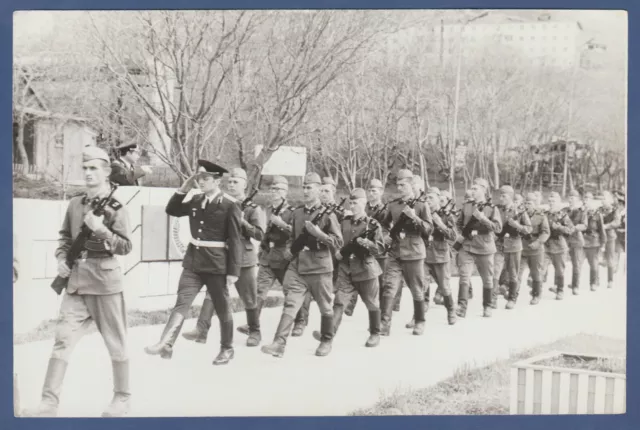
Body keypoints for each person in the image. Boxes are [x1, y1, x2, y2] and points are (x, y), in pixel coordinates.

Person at [23, 147, 133, 417]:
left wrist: (102, 230)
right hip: (76, 283)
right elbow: (64, 238)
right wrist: (61, 257)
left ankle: (122, 398)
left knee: (115, 341)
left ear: (107, 171)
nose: (87, 173)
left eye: (93, 168)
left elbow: (126, 247)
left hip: (105, 282)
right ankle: (49, 403)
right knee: (62, 340)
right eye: (85, 168)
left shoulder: (117, 208)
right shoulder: (75, 204)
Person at [144, 160, 243, 365]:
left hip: (216, 265)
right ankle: (166, 343)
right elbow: (172, 210)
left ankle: (227, 348)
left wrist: (233, 272)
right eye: (199, 178)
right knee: (182, 302)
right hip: (193, 262)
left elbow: (235, 240)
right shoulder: (196, 200)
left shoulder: (229, 204)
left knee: (222, 307)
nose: (201, 182)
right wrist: (184, 189)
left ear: (217, 181)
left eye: (205, 179)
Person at [261, 173, 343, 358]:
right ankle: (279, 343)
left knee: (325, 306)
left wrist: (320, 234)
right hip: (299, 266)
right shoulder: (297, 213)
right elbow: (292, 237)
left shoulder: (328, 215)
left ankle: (326, 340)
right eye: (304, 187)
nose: (306, 191)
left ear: (319, 190)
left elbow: (338, 242)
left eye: (310, 187)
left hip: (320, 268)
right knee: (291, 303)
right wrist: (289, 249)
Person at [182, 168, 266, 346]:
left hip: (244, 259)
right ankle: (201, 329)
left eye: (236, 182)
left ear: (245, 184)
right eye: (230, 182)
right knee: (212, 294)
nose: (232, 185)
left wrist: (242, 221)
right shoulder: (222, 203)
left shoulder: (252, 208)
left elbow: (259, 234)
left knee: (249, 297)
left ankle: (255, 331)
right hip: (222, 257)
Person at [312, 188, 385, 347]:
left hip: (366, 269)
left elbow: (380, 249)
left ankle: (375, 333)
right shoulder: (344, 222)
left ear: (364, 203)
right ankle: (327, 337)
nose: (353, 206)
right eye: (351, 203)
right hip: (346, 269)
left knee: (372, 303)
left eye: (356, 202)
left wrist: (369, 243)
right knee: (339, 302)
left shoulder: (372, 224)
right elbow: (338, 240)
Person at [236, 176, 294, 338]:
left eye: (279, 189)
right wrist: (262, 249)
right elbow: (262, 232)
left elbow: (296, 233)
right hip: (267, 257)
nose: (275, 192)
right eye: (273, 189)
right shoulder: (265, 210)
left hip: (284, 258)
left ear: (286, 192)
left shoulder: (292, 212)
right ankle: (252, 325)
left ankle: (298, 320)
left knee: (291, 293)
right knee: (259, 292)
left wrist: (281, 224)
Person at [379, 169, 433, 336]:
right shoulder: (393, 205)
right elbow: (383, 224)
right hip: (395, 252)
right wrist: (386, 235)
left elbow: (429, 229)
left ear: (411, 185)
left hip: (415, 252)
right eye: (398, 185)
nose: (400, 188)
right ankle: (384, 324)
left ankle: (419, 321)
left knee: (417, 288)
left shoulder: (421, 205)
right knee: (389, 287)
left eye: (403, 185)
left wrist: (415, 217)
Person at [292, 176, 342, 336]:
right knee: (301, 293)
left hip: (330, 256)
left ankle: (327, 334)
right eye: (304, 187)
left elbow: (339, 238)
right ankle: (300, 322)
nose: (325, 194)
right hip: (307, 258)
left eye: (328, 191)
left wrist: (320, 235)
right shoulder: (300, 211)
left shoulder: (335, 212)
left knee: (326, 299)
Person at [454, 178, 502, 318]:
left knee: (487, 278)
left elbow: (498, 228)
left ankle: (487, 306)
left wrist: (483, 219)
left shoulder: (492, 208)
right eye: (472, 188)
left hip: (485, 246)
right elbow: (458, 223)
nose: (472, 190)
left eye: (475, 188)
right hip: (467, 245)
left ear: (483, 190)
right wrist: (460, 235)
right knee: (464, 276)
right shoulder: (467, 206)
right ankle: (461, 307)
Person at [344, 178, 389, 317]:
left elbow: (387, 229)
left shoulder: (385, 209)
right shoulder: (364, 207)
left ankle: (381, 314)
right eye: (369, 190)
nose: (371, 193)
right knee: (358, 273)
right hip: (360, 247)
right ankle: (351, 303)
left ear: (381, 192)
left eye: (374, 190)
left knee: (379, 283)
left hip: (377, 248)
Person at [422, 187, 458, 324]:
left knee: (444, 286)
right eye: (426, 198)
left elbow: (453, 236)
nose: (428, 200)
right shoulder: (423, 213)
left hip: (440, 255)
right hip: (425, 254)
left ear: (438, 199)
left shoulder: (446, 215)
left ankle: (451, 311)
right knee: (422, 285)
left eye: (431, 198)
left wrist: (440, 224)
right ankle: (419, 315)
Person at [493, 185, 531, 309]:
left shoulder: (520, 211)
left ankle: (512, 298)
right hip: (499, 245)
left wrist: (517, 225)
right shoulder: (497, 209)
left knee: (513, 273)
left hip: (514, 245)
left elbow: (528, 229)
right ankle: (492, 299)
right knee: (495, 272)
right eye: (500, 195)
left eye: (503, 196)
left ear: (510, 197)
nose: (500, 198)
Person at [519, 192, 550, 305]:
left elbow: (546, 232)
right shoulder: (520, 214)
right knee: (517, 272)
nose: (528, 205)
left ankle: (536, 294)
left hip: (536, 248)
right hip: (522, 246)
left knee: (536, 273)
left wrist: (538, 242)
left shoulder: (541, 216)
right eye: (526, 203)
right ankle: (513, 295)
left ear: (535, 204)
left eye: (530, 203)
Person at [545, 192, 575, 300]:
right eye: (550, 201)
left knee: (559, 270)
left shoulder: (563, 215)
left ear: (559, 202)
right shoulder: (545, 214)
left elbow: (571, 229)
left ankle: (560, 290)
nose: (551, 203)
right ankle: (536, 292)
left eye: (553, 201)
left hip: (559, 246)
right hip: (546, 245)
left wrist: (559, 228)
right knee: (540, 267)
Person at [583, 192, 606, 291]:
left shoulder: (597, 214)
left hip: (593, 241)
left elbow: (601, 229)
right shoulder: (581, 212)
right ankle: (574, 283)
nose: (586, 201)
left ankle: (594, 282)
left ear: (591, 201)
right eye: (584, 199)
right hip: (582, 241)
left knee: (593, 263)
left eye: (588, 199)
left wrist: (603, 243)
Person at [567, 190, 588, 294]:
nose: (571, 200)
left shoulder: (581, 212)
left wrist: (575, 228)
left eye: (573, 198)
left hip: (576, 239)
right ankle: (557, 285)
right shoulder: (564, 210)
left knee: (576, 264)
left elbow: (584, 225)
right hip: (565, 239)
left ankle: (575, 286)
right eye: (569, 198)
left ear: (578, 200)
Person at [600, 191, 622, 288]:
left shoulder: (614, 210)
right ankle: (594, 281)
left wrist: (606, 226)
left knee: (610, 258)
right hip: (599, 236)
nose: (603, 200)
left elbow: (617, 222)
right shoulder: (599, 210)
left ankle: (610, 280)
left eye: (604, 198)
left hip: (610, 236)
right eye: (602, 198)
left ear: (610, 200)